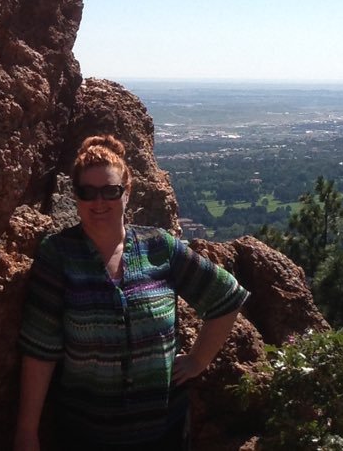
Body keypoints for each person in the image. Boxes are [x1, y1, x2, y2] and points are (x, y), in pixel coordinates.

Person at [14, 135, 249, 450]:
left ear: (127, 191)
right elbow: (41, 349)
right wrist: (27, 430)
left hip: (165, 430)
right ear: (76, 196)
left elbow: (226, 295)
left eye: (110, 191)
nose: (99, 202)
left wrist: (198, 360)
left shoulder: (159, 246)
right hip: (86, 434)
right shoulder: (59, 255)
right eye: (87, 192)